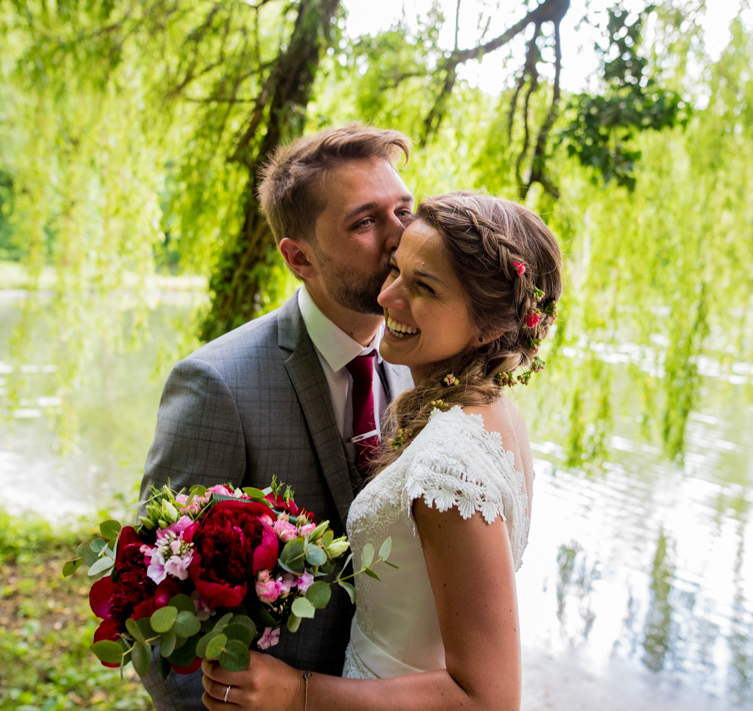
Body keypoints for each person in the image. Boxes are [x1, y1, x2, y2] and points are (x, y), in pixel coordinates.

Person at [198, 191, 564, 711]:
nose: (388, 296)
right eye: (395, 270)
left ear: (488, 325)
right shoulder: (491, 411)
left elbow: (487, 699)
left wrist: (295, 693)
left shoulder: (451, 464)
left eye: (424, 288)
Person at [138, 124, 417, 710]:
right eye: (365, 222)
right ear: (299, 258)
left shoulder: (422, 367)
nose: (400, 239)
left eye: (404, 211)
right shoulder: (218, 386)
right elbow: (156, 607)